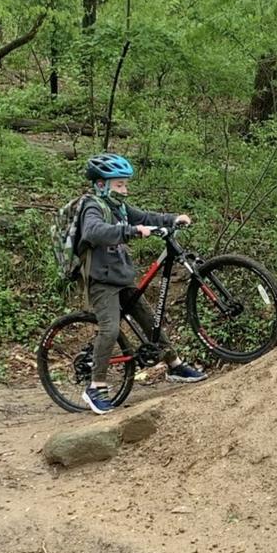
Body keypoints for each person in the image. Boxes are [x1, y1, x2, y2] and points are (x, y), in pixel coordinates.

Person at [78, 153, 206, 414]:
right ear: (101, 184)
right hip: (101, 282)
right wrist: (130, 231)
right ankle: (95, 387)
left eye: (125, 184)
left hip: (121, 278)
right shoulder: (91, 206)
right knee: (110, 329)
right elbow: (93, 231)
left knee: (149, 319)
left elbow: (144, 216)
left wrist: (171, 219)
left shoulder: (120, 208)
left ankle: (175, 365)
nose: (125, 190)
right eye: (119, 185)